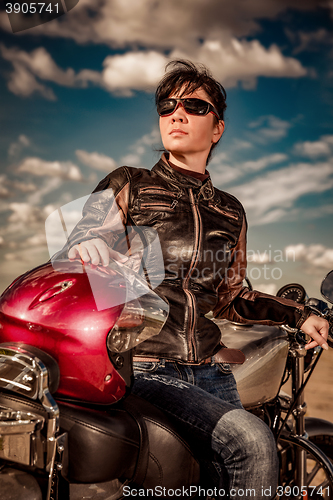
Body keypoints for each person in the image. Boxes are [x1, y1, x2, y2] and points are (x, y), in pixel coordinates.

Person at [66, 60, 329, 499]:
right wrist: (86, 245)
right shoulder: (130, 184)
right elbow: (85, 235)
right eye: (167, 105)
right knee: (253, 442)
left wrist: (300, 315)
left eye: (193, 105)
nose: (177, 113)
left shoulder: (229, 210)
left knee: (218, 480)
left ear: (218, 128)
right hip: (144, 364)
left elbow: (230, 296)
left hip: (212, 371)